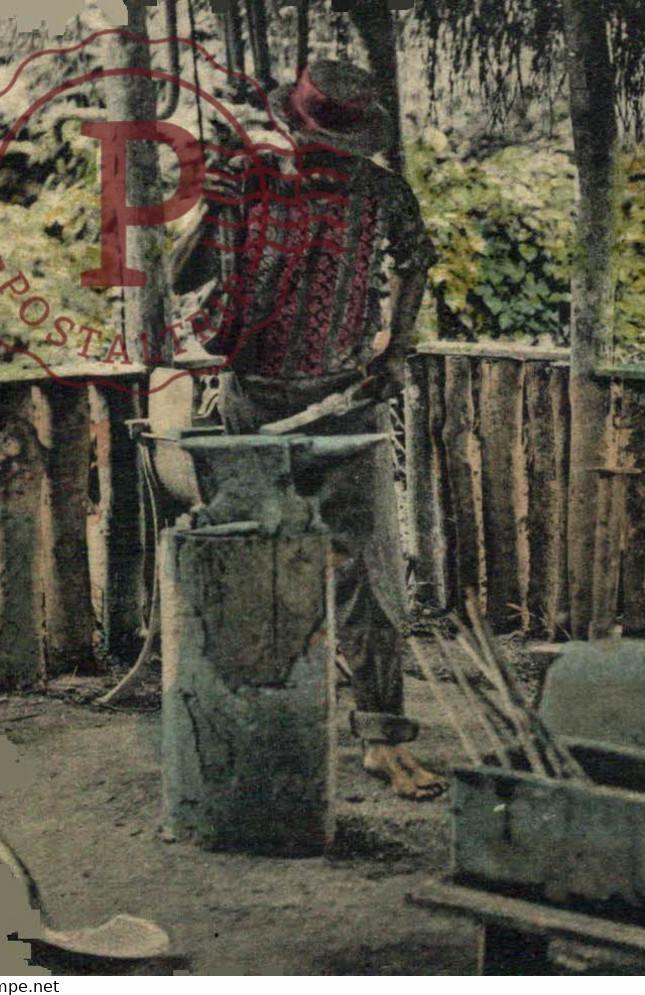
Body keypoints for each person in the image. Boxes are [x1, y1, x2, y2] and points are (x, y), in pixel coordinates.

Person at [169, 60, 443, 800]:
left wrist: (398, 349)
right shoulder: (246, 180)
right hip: (253, 402)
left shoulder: (382, 193)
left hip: (348, 403)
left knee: (371, 576)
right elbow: (179, 278)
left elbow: (418, 261)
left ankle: (384, 738)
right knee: (254, 569)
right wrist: (208, 210)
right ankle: (254, 732)